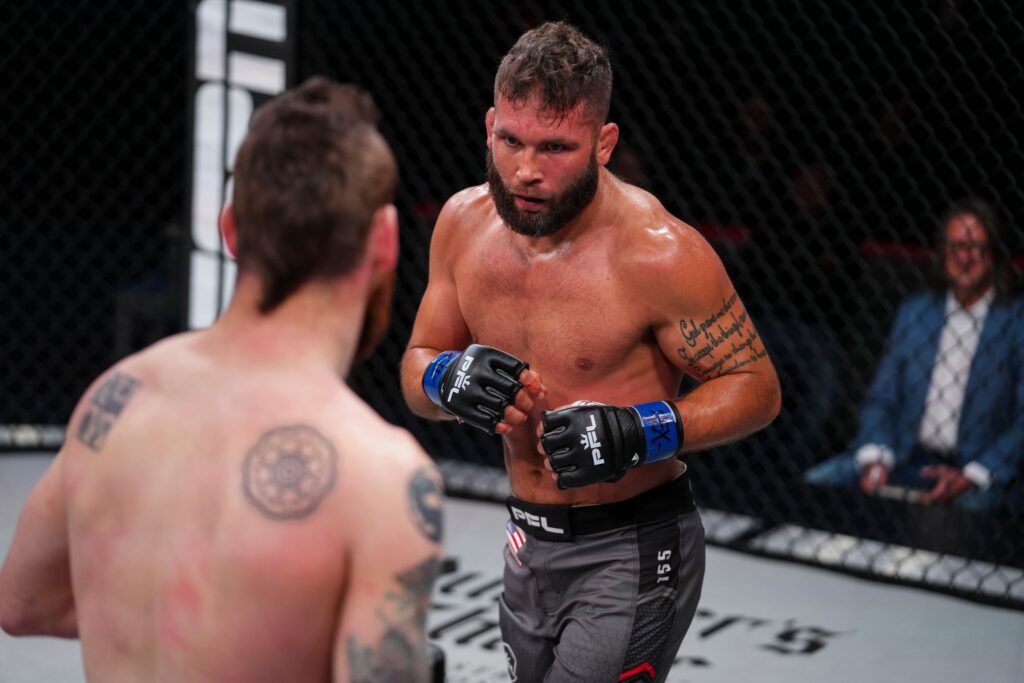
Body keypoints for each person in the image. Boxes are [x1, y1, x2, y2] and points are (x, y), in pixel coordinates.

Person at [0, 77, 444, 682]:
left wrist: (150, 611)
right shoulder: (383, 477)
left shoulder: (119, 396)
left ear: (230, 228)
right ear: (385, 241)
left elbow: (24, 601)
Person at [401, 22, 780, 683]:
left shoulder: (658, 253)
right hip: (526, 539)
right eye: (510, 140)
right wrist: (444, 375)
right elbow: (415, 366)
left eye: (555, 148)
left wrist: (645, 428)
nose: (525, 169)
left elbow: (757, 386)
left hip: (632, 546)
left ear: (604, 144)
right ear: (489, 124)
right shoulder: (462, 225)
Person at [805, 198, 1024, 512]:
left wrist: (974, 475)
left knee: (970, 516)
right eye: (956, 246)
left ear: (994, 254)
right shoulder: (916, 312)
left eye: (976, 246)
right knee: (817, 481)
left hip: (974, 465)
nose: (965, 257)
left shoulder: (1015, 321)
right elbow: (881, 398)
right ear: (942, 252)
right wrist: (876, 456)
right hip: (903, 455)